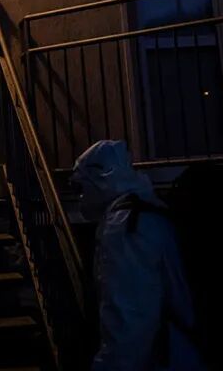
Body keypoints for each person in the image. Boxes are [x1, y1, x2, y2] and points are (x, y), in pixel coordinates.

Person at [72, 140, 205, 371]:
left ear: (100, 180)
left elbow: (129, 320)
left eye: (81, 188)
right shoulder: (145, 213)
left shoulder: (125, 228)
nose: (81, 197)